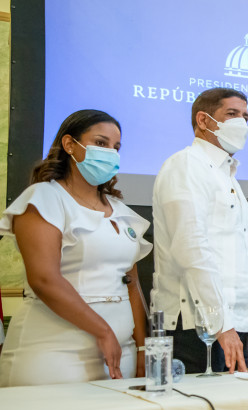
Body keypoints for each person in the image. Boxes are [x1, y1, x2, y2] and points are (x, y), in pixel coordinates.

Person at [0, 110, 151, 386]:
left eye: (116, 147)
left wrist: (142, 347)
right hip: (54, 354)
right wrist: (103, 331)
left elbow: (132, 284)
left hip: (120, 355)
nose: (110, 152)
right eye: (101, 143)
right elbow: (44, 279)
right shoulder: (43, 198)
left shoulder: (120, 210)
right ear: (70, 144)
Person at [151, 88, 248, 374]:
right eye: (232, 114)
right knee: (199, 402)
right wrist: (221, 324)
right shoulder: (185, 165)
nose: (241, 123)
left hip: (231, 323)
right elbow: (191, 248)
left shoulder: (228, 176)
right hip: (198, 325)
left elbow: (242, 258)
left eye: (245, 116)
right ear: (203, 120)